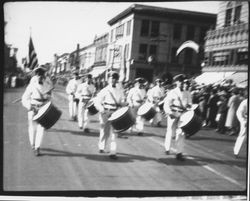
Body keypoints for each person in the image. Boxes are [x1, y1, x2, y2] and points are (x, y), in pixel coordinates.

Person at [21, 66, 53, 156]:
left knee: (41, 128)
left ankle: (37, 147)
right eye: (38, 74)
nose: (40, 76)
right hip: (33, 108)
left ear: (43, 75)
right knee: (32, 128)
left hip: (42, 108)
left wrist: (48, 99)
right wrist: (29, 106)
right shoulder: (31, 86)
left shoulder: (47, 85)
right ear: (36, 75)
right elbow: (24, 99)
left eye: (41, 74)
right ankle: (33, 144)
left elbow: (50, 97)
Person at [94, 72, 126, 160]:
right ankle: (101, 146)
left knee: (114, 132)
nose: (113, 80)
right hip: (106, 111)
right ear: (109, 79)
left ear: (117, 80)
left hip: (115, 112)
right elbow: (97, 101)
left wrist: (123, 103)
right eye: (112, 78)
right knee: (104, 131)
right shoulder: (105, 90)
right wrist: (101, 110)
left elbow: (122, 100)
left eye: (115, 78)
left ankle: (113, 152)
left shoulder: (120, 90)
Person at [163, 74, 192, 161]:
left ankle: (179, 152)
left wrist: (189, 106)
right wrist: (169, 113)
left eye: (184, 82)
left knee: (181, 133)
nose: (183, 84)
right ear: (177, 82)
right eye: (181, 82)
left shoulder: (187, 93)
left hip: (183, 115)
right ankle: (167, 148)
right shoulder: (172, 92)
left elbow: (190, 103)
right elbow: (166, 104)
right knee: (170, 131)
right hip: (173, 113)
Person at [233, 91, 248, 158]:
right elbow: (239, 112)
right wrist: (243, 121)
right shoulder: (245, 102)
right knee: (242, 136)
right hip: (246, 121)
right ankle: (236, 152)